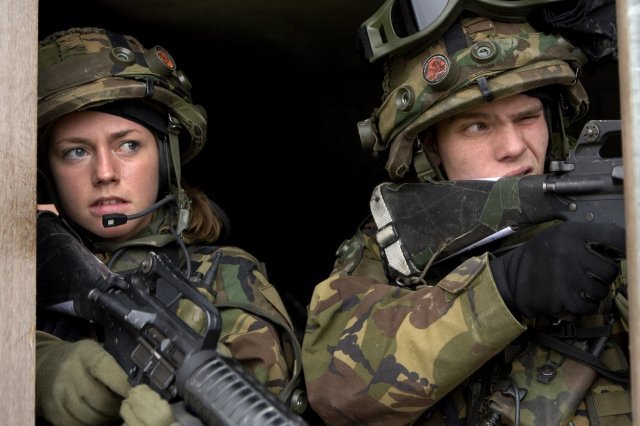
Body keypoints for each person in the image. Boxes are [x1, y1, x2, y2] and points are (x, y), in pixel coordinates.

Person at [301, 2, 630, 425]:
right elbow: (337, 390)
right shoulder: (391, 248)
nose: (513, 146)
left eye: (528, 116)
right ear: (430, 149)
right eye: (477, 126)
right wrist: (504, 288)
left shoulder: (611, 204)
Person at [35, 27, 304, 425]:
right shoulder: (27, 269)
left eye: (128, 145)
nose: (105, 172)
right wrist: (39, 369)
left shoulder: (225, 280)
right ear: (46, 173)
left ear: (164, 158)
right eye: (76, 152)